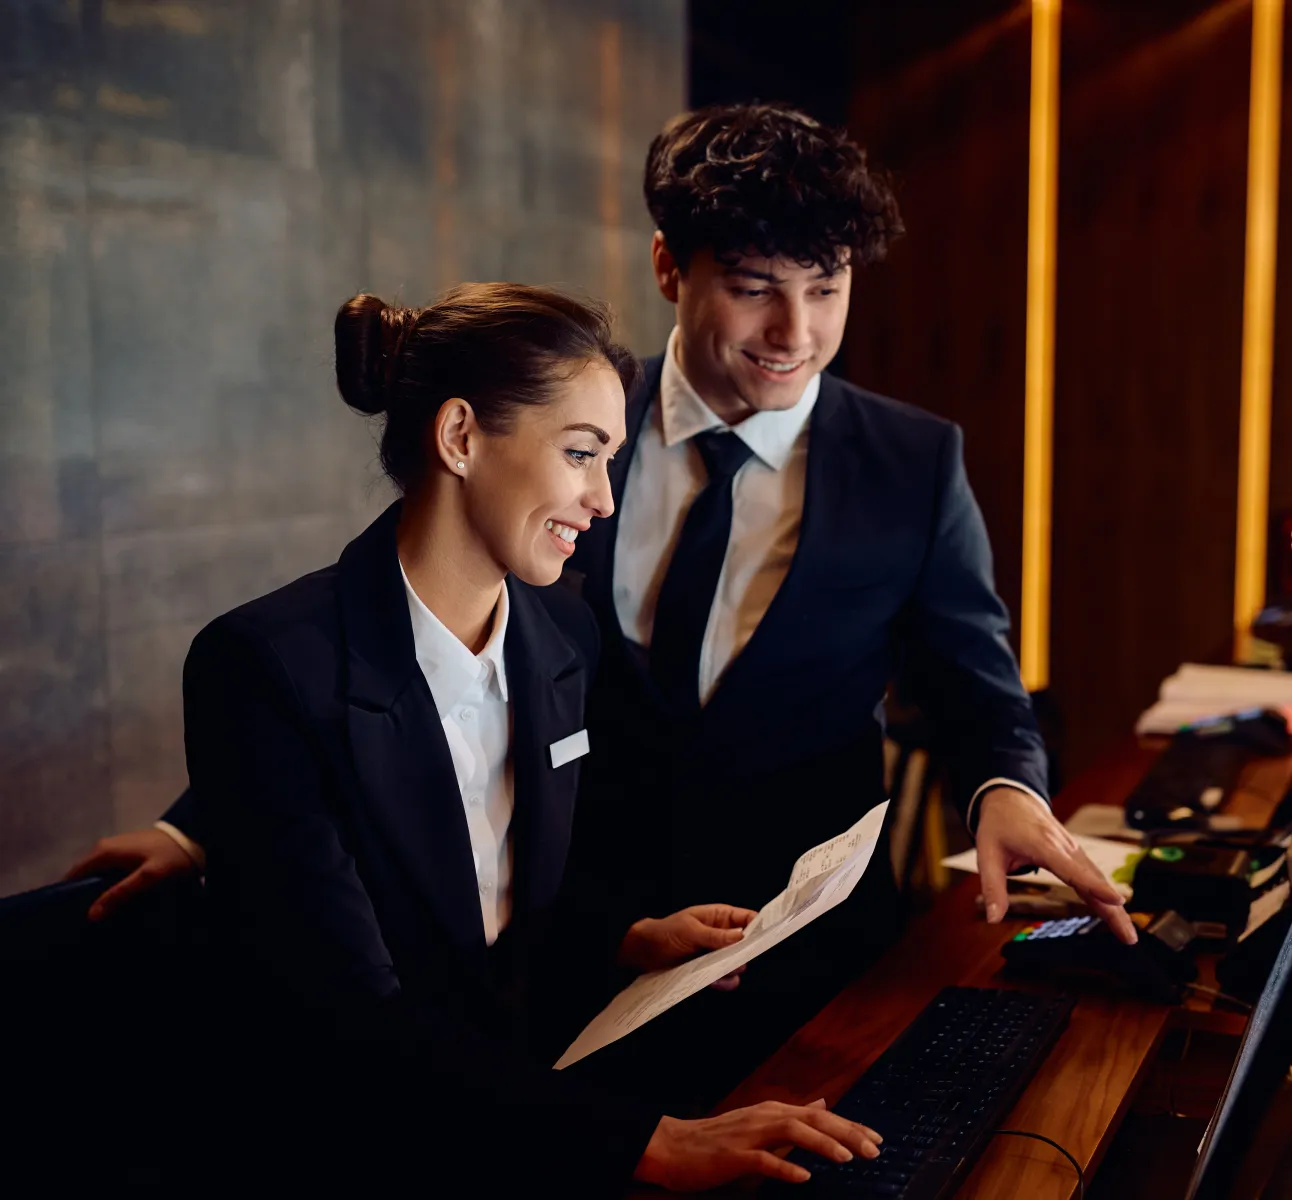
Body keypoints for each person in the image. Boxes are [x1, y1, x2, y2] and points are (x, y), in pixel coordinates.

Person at [73, 103, 1134, 1111]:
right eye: (757, 286)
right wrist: (213, 822)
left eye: (826, 289)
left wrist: (1007, 786)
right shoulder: (555, 410)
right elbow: (381, 655)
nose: (793, 332)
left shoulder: (912, 462)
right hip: (573, 942)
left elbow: (975, 681)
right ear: (672, 266)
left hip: (798, 954)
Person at [146, 282, 879, 1192]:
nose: (603, 500)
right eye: (580, 454)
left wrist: (625, 939)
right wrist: (648, 1141)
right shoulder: (261, 667)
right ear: (459, 438)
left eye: (608, 460)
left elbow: (494, 905)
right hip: (355, 1145)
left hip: (526, 1104)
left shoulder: (561, 637)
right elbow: (357, 1018)